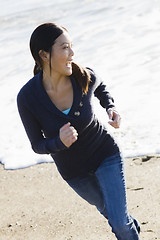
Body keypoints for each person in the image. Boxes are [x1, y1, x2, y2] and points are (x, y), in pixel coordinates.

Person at [17, 22, 140, 239]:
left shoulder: (81, 75)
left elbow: (101, 86)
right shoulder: (28, 97)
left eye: (71, 46)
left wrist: (110, 107)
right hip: (74, 173)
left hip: (105, 154)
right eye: (65, 48)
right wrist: (59, 143)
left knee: (119, 224)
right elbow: (37, 144)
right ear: (44, 55)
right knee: (115, 216)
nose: (72, 53)